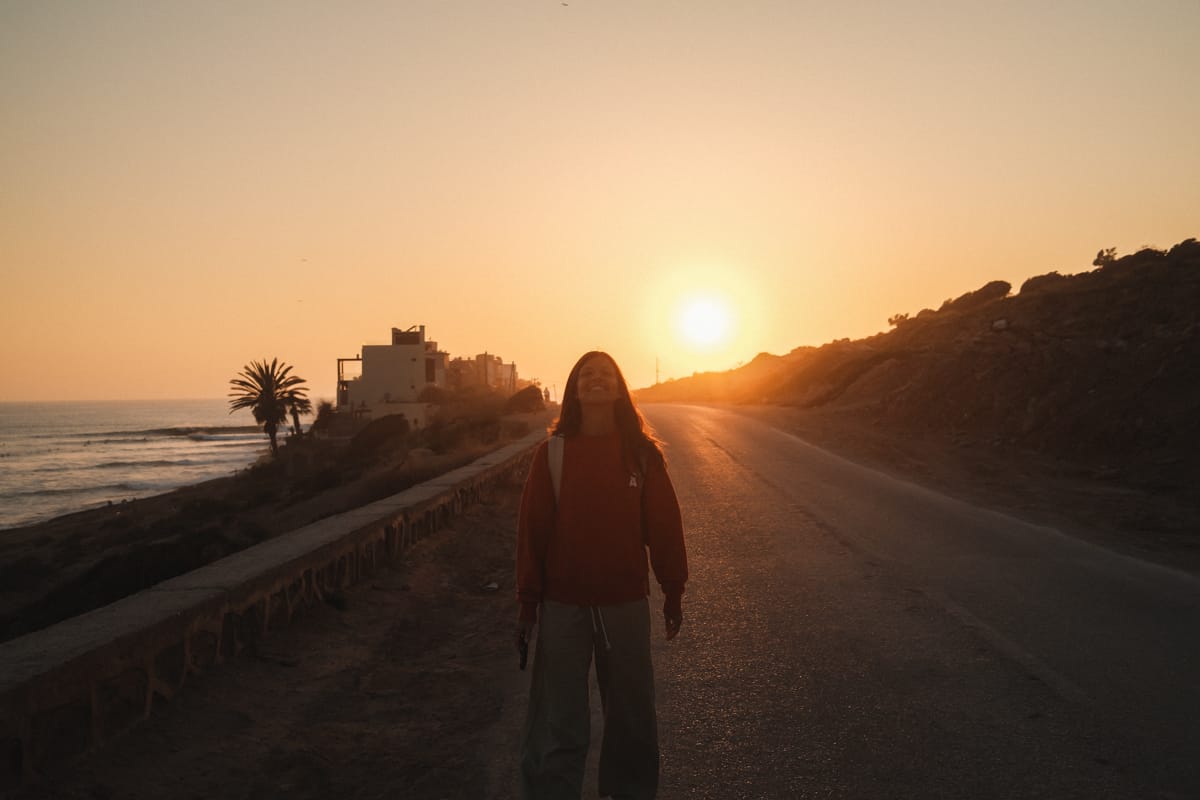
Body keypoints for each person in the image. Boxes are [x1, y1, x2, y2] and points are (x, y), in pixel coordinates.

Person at [516, 350, 688, 800]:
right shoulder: (550, 455)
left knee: (632, 718)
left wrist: (674, 589)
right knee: (560, 722)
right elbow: (532, 534)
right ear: (574, 388)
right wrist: (527, 605)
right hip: (562, 606)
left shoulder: (642, 455)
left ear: (619, 388)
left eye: (606, 375)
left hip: (625, 604)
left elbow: (664, 526)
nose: (597, 380)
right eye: (587, 375)